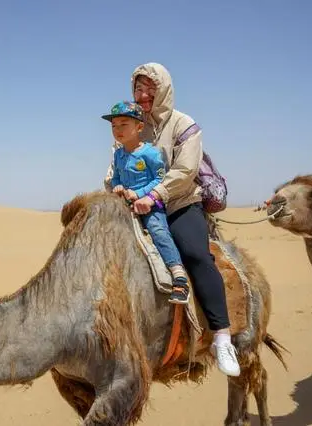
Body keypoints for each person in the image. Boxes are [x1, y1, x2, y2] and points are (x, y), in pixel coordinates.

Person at [103, 62, 241, 377]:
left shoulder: (183, 124)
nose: (142, 94)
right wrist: (115, 189)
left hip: (178, 202)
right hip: (133, 206)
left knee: (195, 255)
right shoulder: (131, 123)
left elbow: (184, 171)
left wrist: (155, 196)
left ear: (163, 88)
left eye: (149, 88)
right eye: (137, 88)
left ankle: (221, 337)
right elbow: (114, 169)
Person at [102, 101, 190, 304]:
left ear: (139, 127)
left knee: (157, 230)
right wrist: (117, 187)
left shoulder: (150, 153)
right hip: (125, 206)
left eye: (124, 124)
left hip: (150, 206)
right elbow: (116, 177)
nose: (118, 130)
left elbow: (160, 179)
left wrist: (140, 194)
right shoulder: (118, 154)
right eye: (114, 126)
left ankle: (178, 275)